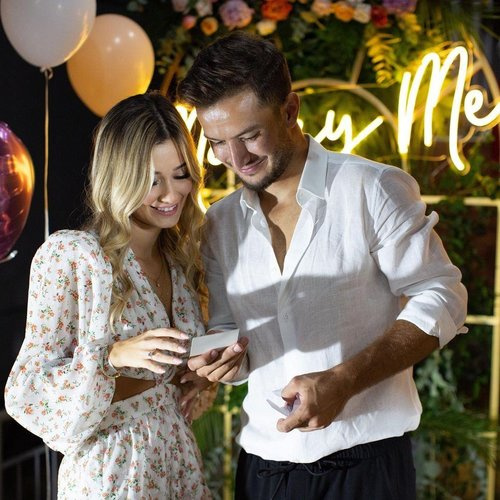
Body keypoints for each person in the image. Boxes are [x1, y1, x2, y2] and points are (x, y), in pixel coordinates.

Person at [177, 31, 468, 499]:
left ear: (290, 110)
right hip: (263, 469)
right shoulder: (220, 223)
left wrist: (344, 380)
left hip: (366, 465)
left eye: (250, 136)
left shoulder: (372, 188)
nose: (236, 159)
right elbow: (231, 332)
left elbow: (443, 298)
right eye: (217, 143)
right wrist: (223, 361)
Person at [4, 92, 213, 499]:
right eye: (152, 180)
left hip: (177, 466)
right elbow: (25, 393)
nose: (172, 194)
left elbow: (170, 381)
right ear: (120, 177)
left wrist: (199, 376)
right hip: (111, 475)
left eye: (181, 174)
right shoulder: (73, 257)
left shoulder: (182, 262)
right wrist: (111, 357)